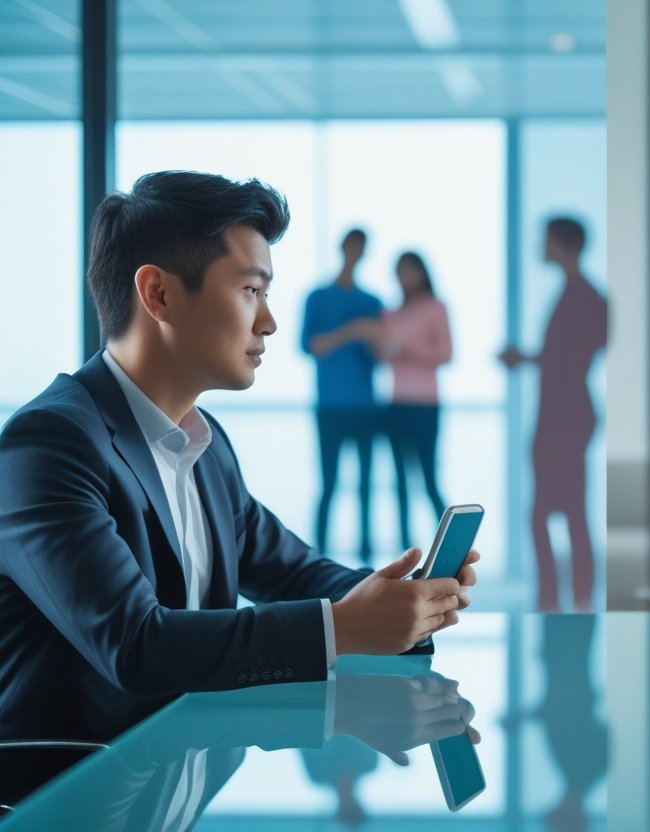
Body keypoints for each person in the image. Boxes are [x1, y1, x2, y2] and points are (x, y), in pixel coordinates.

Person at [0, 171, 478, 749]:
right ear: (158, 294)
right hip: (73, 782)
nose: (268, 322)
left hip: (178, 769)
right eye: (251, 290)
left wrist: (410, 599)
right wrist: (344, 628)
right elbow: (136, 646)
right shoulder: (49, 444)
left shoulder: (205, 444)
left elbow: (294, 574)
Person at [500, 217, 608, 612]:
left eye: (545, 240)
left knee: (561, 512)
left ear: (562, 243)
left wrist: (531, 359)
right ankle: (562, 596)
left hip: (566, 415)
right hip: (562, 412)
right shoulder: (579, 295)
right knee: (555, 512)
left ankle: (569, 597)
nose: (539, 247)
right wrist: (532, 359)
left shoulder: (586, 297)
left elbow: (572, 359)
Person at [300, 229, 382, 563]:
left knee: (366, 486)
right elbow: (311, 346)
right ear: (343, 248)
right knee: (329, 484)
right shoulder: (318, 297)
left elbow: (380, 356)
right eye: (352, 246)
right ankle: (317, 559)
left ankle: (368, 561)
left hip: (366, 407)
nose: (355, 252)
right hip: (330, 406)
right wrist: (352, 331)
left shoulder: (373, 302)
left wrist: (374, 339)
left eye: (361, 248)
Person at [378, 252, 452, 551]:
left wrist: (410, 349)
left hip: (426, 406)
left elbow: (446, 353)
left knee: (429, 480)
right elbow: (383, 354)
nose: (404, 277)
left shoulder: (435, 308)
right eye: (399, 271)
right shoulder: (392, 313)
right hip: (396, 405)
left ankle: (449, 549)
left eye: (409, 270)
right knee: (400, 483)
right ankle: (405, 552)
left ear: (421, 272)